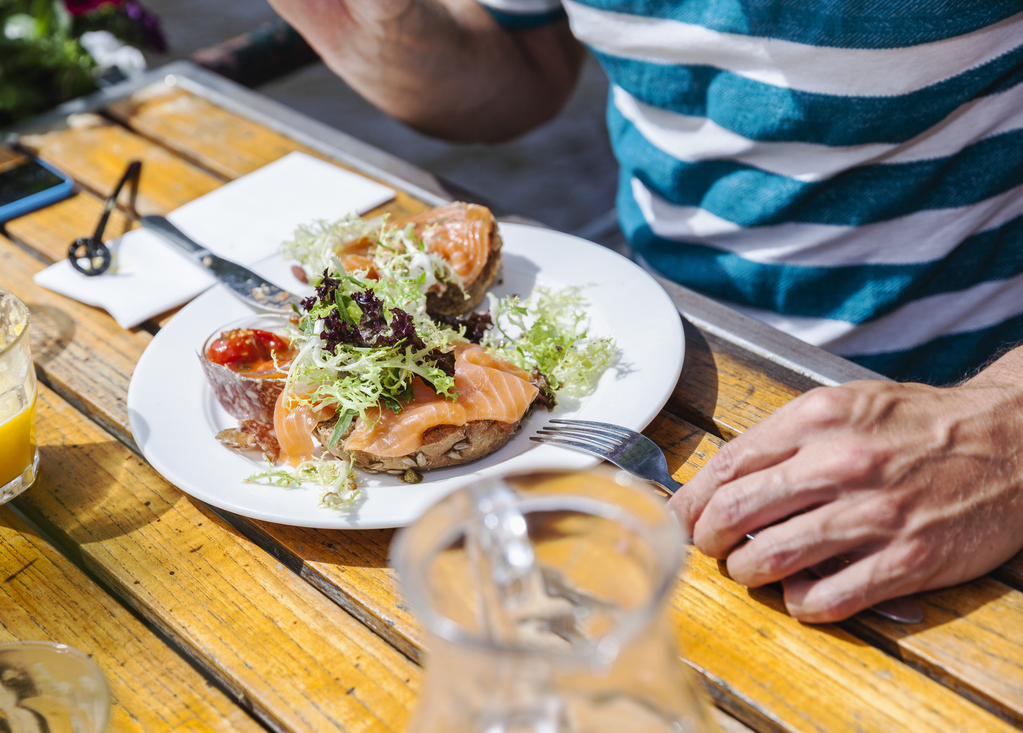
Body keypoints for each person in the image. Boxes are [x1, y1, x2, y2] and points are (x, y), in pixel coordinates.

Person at [266, 0, 1023, 621]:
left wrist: (1002, 431)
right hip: (654, 376)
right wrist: (379, 21)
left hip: (961, 403)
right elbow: (521, 72)